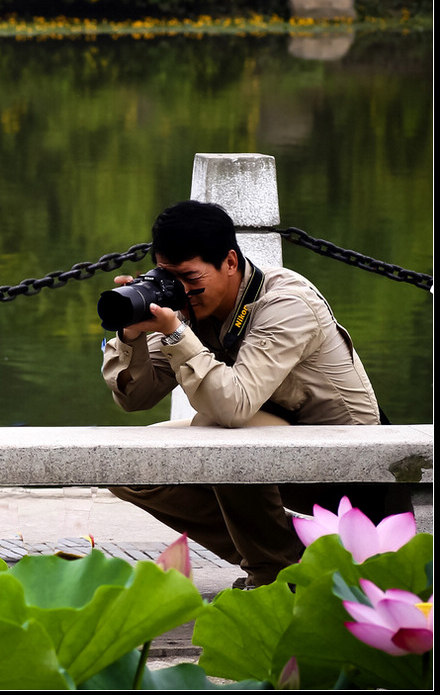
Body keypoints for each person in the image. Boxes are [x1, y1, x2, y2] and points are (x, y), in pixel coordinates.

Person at [101, 200, 409, 588]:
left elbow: (233, 406)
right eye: (168, 276)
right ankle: (293, 559)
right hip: (272, 443)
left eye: (190, 277)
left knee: (220, 432)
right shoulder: (189, 304)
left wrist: (177, 334)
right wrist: (132, 334)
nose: (182, 291)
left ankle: (272, 573)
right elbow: (135, 398)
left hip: (352, 465)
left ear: (230, 262)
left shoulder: (286, 303)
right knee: (128, 466)